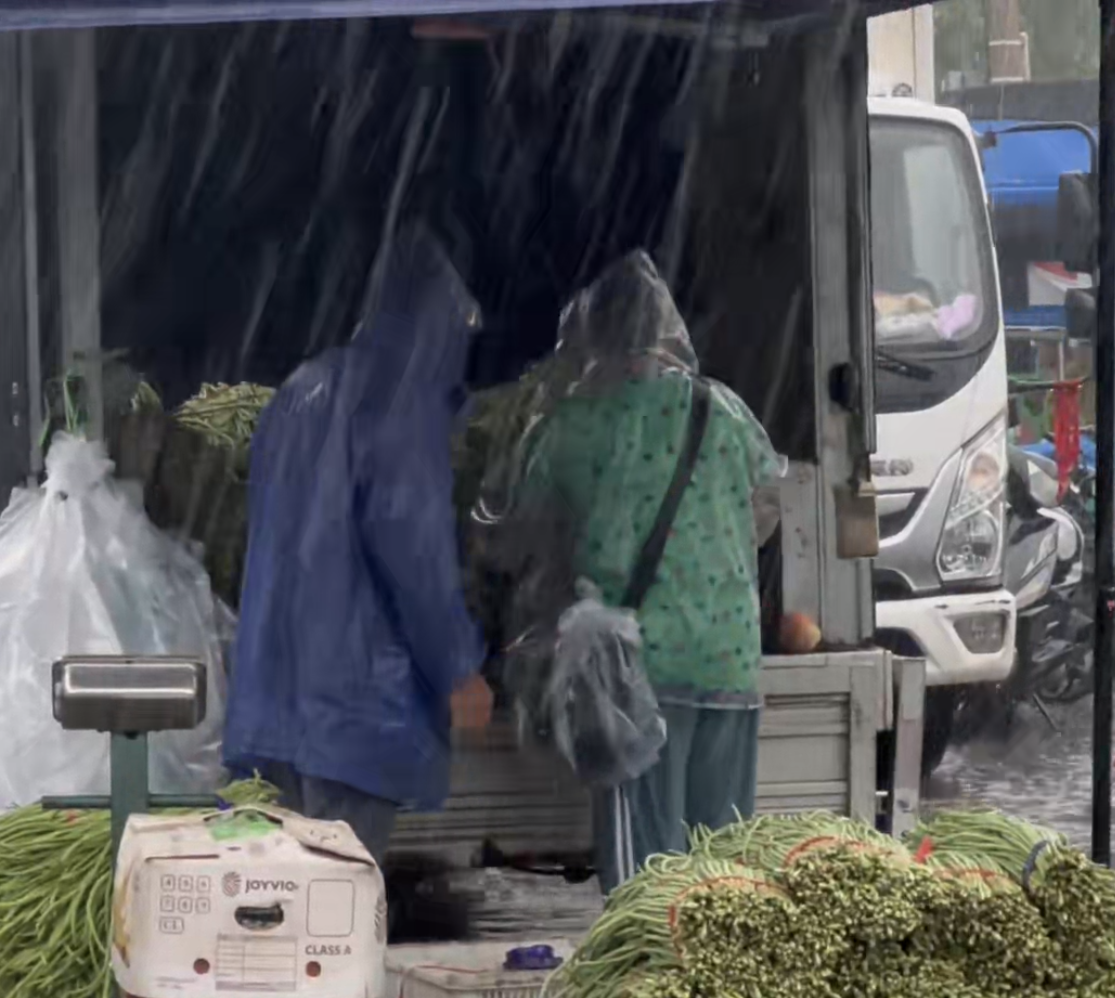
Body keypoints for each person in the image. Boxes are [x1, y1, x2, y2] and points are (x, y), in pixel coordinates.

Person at [500, 252, 787, 892]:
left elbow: (524, 530)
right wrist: (713, 564)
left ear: (594, 334)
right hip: (730, 660)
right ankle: (719, 978)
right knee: (725, 862)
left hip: (642, 670)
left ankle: (649, 982)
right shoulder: (723, 410)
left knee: (647, 874)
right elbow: (767, 504)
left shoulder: (575, 423)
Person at [222, 224, 495, 858]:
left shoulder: (298, 391)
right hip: (355, 708)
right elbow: (414, 551)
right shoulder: (401, 406)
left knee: (282, 905)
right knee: (335, 919)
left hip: (275, 701)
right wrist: (458, 669)